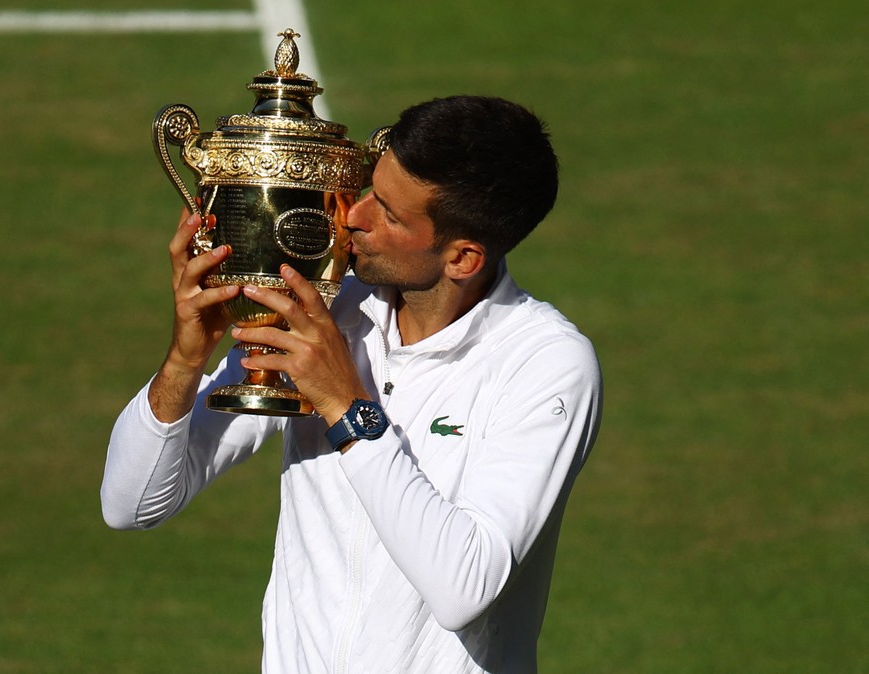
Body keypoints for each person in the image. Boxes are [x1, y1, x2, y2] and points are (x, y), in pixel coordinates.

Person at [101, 95, 602, 673]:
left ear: (462, 258)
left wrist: (345, 403)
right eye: (369, 189)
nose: (353, 216)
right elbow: (131, 503)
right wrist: (186, 361)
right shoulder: (330, 308)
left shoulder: (546, 364)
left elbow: (464, 587)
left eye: (388, 213)